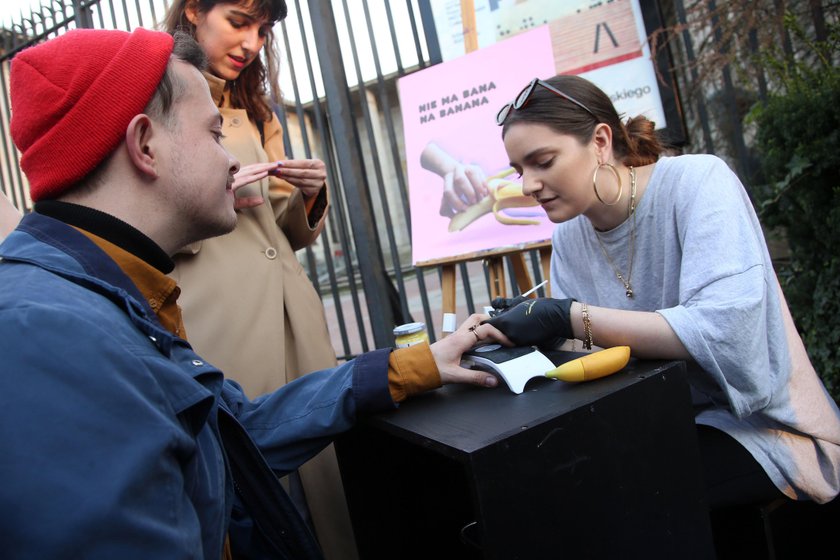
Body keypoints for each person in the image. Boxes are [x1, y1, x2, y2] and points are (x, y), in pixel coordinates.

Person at [0, 28, 505, 559]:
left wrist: (416, 366)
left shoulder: (103, 296)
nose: (232, 162)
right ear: (146, 144)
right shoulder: (45, 334)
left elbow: (236, 431)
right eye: (214, 134)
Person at [489, 75, 840, 511]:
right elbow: (587, 358)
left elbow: (724, 330)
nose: (527, 185)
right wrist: (524, 333)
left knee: (632, 498)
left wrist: (568, 316)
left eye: (542, 161)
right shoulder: (570, 238)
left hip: (766, 427)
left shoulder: (698, 182)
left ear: (600, 140)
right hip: (658, 421)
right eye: (519, 170)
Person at [161, 1, 350, 555]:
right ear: (194, 10)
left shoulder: (254, 109)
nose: (252, 43)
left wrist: (309, 195)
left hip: (293, 314)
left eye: (263, 30)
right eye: (240, 22)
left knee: (327, 490)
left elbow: (279, 234)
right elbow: (138, 220)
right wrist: (211, 194)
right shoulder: (151, 89)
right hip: (220, 319)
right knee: (251, 494)